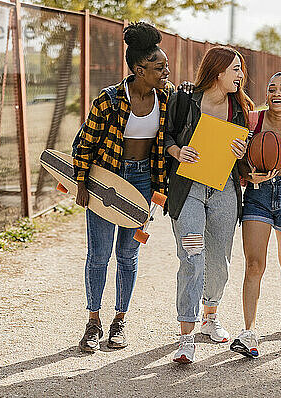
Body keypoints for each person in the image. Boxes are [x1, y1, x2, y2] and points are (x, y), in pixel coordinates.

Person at [73, 22, 175, 353]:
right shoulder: (109, 99)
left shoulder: (167, 97)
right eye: (159, 68)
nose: (165, 71)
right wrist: (82, 183)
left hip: (144, 180)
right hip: (106, 180)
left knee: (128, 254)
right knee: (99, 254)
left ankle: (120, 320)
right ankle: (93, 322)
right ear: (137, 69)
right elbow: (85, 144)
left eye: (165, 66)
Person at [165, 46, 254, 364]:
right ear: (217, 71)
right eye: (235, 69)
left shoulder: (241, 106)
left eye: (241, 69)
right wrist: (178, 152)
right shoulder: (185, 98)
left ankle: (210, 315)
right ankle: (185, 338)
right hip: (188, 189)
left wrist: (242, 150)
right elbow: (167, 136)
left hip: (224, 191)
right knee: (192, 258)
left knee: (219, 263)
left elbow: (247, 150)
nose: (241, 75)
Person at [229, 72, 281, 358]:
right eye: (272, 88)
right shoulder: (253, 120)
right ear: (266, 95)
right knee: (254, 264)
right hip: (258, 195)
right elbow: (236, 156)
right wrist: (248, 175)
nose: (277, 93)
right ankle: (248, 331)